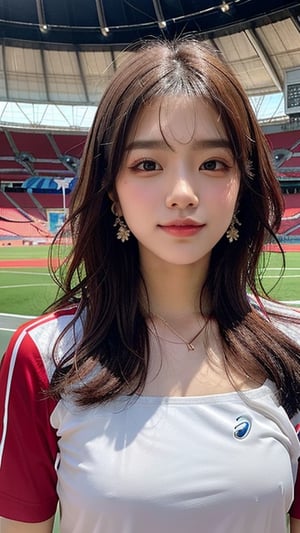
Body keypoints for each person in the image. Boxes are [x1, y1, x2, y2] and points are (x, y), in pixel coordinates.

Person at [0, 37, 299, 533]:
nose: (182, 193)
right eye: (147, 165)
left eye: (212, 164)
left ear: (240, 187)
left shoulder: (290, 348)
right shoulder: (42, 357)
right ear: (111, 189)